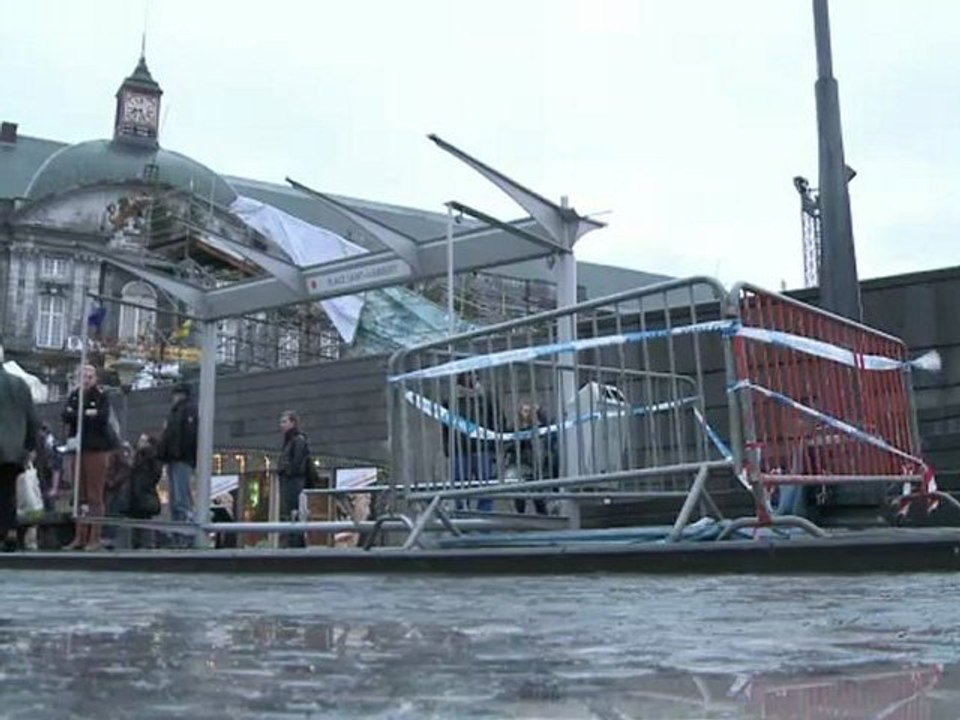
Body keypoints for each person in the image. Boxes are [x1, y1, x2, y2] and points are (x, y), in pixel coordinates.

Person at [61, 364, 115, 551]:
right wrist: (84, 414)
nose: (86, 379)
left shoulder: (101, 396)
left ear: (95, 378)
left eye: (90, 375)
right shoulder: (75, 395)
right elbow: (65, 415)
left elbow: (101, 417)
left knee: (94, 495)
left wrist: (80, 414)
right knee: (80, 495)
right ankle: (80, 535)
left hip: (96, 449)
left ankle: (95, 537)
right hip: (78, 448)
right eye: (82, 375)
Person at [441, 372, 504, 512]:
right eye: (467, 374)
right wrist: (448, 448)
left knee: (485, 488)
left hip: (482, 448)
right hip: (458, 448)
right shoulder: (450, 399)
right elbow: (445, 426)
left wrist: (495, 445)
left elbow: (497, 420)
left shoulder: (487, 397)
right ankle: (463, 518)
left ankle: (485, 520)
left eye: (474, 374)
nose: (471, 377)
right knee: (460, 488)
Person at [0, 341, 39, 552]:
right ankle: (11, 532)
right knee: (8, 491)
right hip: (15, 450)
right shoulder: (20, 384)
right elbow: (32, 418)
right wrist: (30, 445)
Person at [157, 383, 198, 547]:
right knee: (176, 500)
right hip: (176, 459)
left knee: (181, 500)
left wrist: (175, 453)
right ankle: (180, 536)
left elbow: (188, 436)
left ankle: (185, 536)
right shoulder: (179, 411)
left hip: (181, 459)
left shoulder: (186, 411)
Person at [508, 401, 555, 516]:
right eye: (525, 411)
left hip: (536, 465)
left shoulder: (539, 427)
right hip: (520, 465)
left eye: (530, 411)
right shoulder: (513, 428)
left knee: (538, 495)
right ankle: (520, 516)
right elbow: (508, 446)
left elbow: (549, 425)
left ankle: (543, 516)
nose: (527, 414)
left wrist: (540, 411)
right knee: (519, 493)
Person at [277, 410, 309, 548]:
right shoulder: (290, 441)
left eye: (284, 422)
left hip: (294, 482)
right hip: (290, 481)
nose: (281, 425)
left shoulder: (298, 440)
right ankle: (292, 542)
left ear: (293, 422)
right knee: (290, 512)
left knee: (294, 511)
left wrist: (286, 471)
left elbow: (297, 463)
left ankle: (295, 543)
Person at [125, 433, 163, 549]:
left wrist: (145, 485)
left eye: (143, 440)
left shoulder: (150, 457)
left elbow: (155, 474)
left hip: (144, 493)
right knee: (137, 520)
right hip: (137, 493)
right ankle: (138, 544)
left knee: (144, 519)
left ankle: (147, 544)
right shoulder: (138, 456)